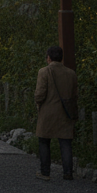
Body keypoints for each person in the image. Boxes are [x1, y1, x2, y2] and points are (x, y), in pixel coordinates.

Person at [35, 45, 78, 181]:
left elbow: (40, 93)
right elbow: (74, 94)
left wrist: (38, 102)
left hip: (48, 112)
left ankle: (45, 172)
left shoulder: (44, 72)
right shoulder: (71, 73)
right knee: (65, 142)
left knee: (44, 140)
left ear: (48, 57)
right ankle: (68, 172)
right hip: (65, 112)